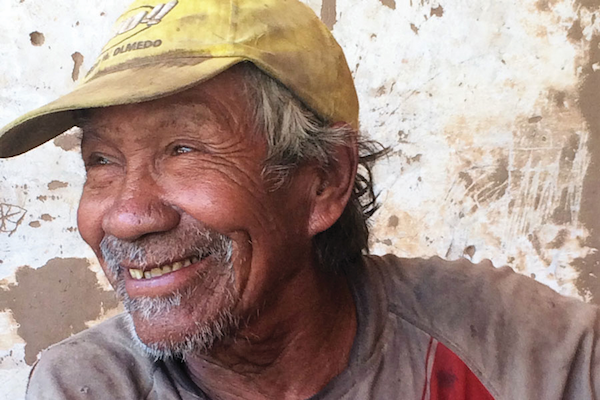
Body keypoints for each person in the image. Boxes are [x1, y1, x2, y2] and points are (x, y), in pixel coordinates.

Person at [1, 0, 598, 399]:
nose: (127, 216)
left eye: (183, 149)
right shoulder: (88, 386)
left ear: (323, 182)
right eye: (101, 161)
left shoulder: (513, 346)